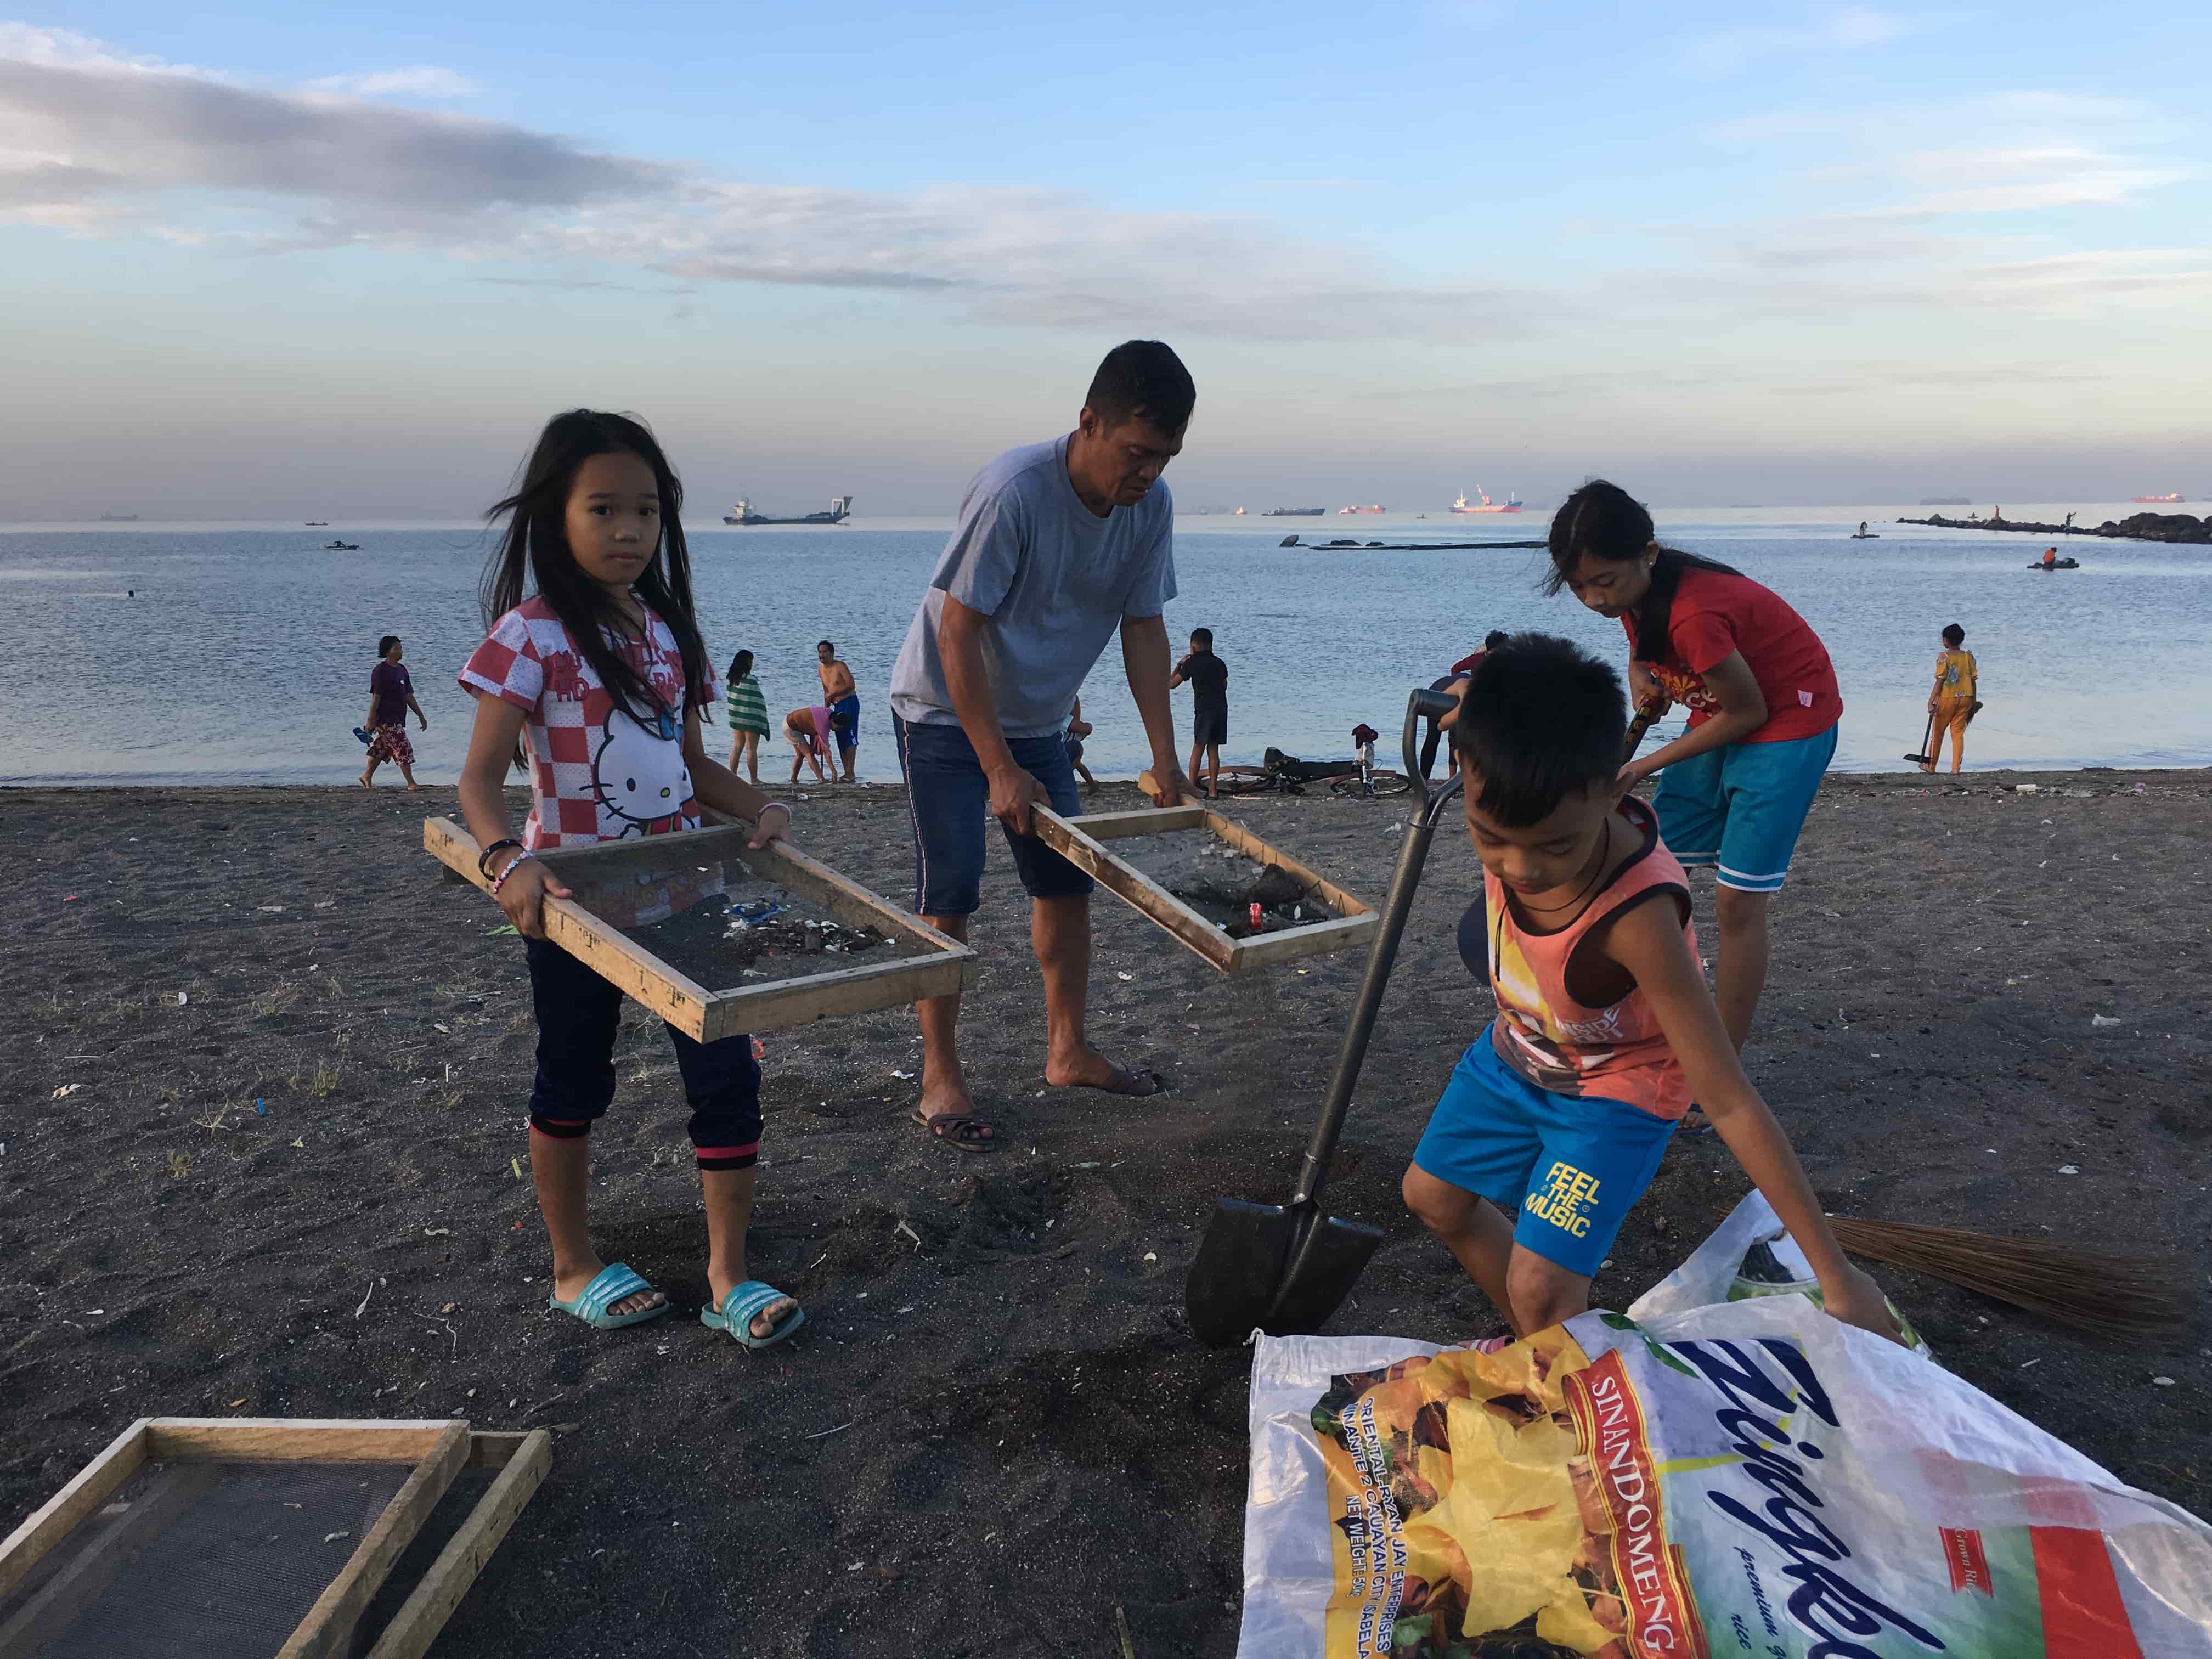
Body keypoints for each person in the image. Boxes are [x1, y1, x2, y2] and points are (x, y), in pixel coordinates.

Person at [1400, 635, 1900, 1346]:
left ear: (1613, 788)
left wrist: (1838, 1275)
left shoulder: (1638, 921)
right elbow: (1480, 683)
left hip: (1617, 1093)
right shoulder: (1497, 755)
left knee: (1539, 1286)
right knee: (1433, 1197)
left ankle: (1558, 1354)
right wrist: (1462, 694)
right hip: (1519, 1051)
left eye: (1555, 845)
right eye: (1491, 840)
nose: (1522, 868)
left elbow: (1727, 1097)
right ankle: (1547, 1352)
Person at [454, 409, 802, 1350]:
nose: (626, 531)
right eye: (602, 508)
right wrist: (505, 859)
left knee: (725, 1072)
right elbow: (479, 781)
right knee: (572, 1077)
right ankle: (573, 1265)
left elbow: (689, 769)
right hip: (574, 907)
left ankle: (728, 1273)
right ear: (553, 517)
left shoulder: (668, 633)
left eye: (645, 511)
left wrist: (757, 808)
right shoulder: (529, 635)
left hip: (686, 894)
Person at [888, 339, 1198, 1149]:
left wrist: (1165, 757)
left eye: (1164, 457)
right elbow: (957, 633)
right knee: (951, 892)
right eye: (1136, 453)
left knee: (1067, 885)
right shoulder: (1015, 492)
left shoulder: (1150, 509)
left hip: (1040, 721)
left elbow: (1143, 626)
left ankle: (1067, 1050)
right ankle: (940, 1077)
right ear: (1089, 422)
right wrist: (997, 768)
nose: (1147, 474)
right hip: (942, 714)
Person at [1545, 479, 1841, 1059]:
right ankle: (1643, 1028)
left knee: (1736, 904)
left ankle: (1717, 1066)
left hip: (1787, 722)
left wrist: (1643, 767)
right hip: (1718, 711)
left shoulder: (1695, 614)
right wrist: (1639, 672)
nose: (1596, 600)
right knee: (1649, 870)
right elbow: (1641, 633)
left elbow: (1749, 710)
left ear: (1648, 554)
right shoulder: (1638, 596)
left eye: (1606, 582)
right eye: (1580, 586)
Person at [360, 634, 427, 789]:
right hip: (385, 718)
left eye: (401, 648)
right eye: (396, 649)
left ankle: (366, 777)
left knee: (381, 748)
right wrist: (370, 722)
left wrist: (421, 716)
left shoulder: (402, 670)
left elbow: (409, 696)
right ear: (388, 651)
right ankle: (411, 783)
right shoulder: (380, 671)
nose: (400, 651)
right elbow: (375, 699)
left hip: (398, 717)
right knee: (402, 746)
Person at [1170, 626, 1229, 799]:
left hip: (1204, 710)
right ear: (1211, 645)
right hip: (1220, 708)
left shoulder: (1191, 663)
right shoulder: (1219, 663)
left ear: (1193, 647)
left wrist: (1179, 665)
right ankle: (1212, 790)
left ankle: (1193, 788)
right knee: (1213, 749)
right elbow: (1224, 686)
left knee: (1198, 747)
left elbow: (1171, 685)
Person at [1922, 623, 1979, 775]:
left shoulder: (1944, 658)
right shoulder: (1968, 657)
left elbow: (1940, 680)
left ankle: (1931, 766)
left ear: (1945, 641)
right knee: (1958, 734)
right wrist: (1974, 700)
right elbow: (1973, 680)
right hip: (1966, 698)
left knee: (1938, 733)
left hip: (1947, 698)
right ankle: (1955, 769)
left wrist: (1931, 701)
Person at [816, 639, 860, 783]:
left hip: (849, 702)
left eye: (825, 652)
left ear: (832, 653)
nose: (822, 655)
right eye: (820, 652)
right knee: (840, 737)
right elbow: (826, 691)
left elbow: (851, 684)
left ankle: (851, 772)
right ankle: (846, 772)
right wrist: (826, 711)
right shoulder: (821, 670)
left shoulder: (840, 666)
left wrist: (833, 694)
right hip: (836, 706)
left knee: (850, 735)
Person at [723, 648, 770, 782]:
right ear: (748, 662)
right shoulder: (751, 680)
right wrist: (763, 719)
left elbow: (733, 699)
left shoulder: (730, 679)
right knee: (751, 749)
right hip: (751, 718)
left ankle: (733, 776)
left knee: (737, 747)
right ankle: (754, 779)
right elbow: (758, 702)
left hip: (737, 717)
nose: (752, 664)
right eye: (751, 661)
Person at [782, 703, 842, 785]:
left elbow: (813, 721)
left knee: (800, 755)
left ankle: (794, 779)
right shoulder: (824, 724)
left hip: (788, 722)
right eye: (837, 728)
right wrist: (833, 771)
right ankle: (821, 779)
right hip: (791, 727)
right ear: (832, 721)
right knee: (809, 753)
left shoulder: (829, 713)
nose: (835, 731)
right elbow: (826, 751)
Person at [1065, 693, 1098, 792]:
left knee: (1077, 761)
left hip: (1068, 740)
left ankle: (1092, 785)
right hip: (1066, 743)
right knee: (1077, 755)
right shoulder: (1064, 721)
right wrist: (1089, 726)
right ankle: (1065, 781)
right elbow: (1085, 729)